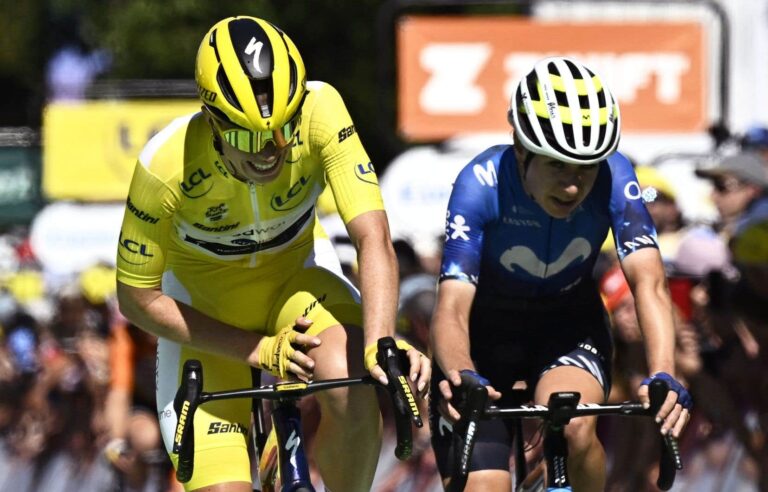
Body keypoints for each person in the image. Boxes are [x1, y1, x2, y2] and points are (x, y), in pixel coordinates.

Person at [115, 16, 430, 492]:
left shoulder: (321, 110)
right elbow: (135, 299)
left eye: (283, 129)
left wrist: (380, 342)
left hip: (298, 284)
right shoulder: (165, 166)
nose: (270, 150)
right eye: (248, 137)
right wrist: (259, 351)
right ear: (213, 121)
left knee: (350, 384)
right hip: (207, 317)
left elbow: (373, 238)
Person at [429, 57, 691, 492]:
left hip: (566, 327)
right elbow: (453, 304)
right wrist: (461, 373)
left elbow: (650, 282)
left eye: (585, 168)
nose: (573, 185)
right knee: (485, 486)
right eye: (556, 165)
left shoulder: (615, 176)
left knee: (575, 427)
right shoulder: (480, 182)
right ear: (520, 151)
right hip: (481, 335)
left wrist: (663, 371)